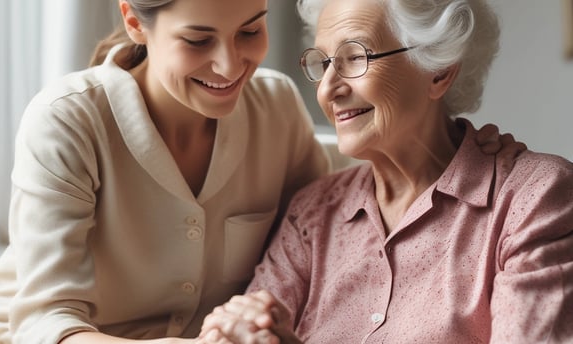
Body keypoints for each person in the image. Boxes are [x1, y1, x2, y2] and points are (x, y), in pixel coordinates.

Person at [0, 0, 517, 343]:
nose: (231, 67)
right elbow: (43, 325)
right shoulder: (69, 119)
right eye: (198, 40)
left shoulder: (272, 105)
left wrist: (457, 144)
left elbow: (330, 195)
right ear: (135, 21)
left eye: (250, 31)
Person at [197, 0, 573, 343]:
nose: (328, 89)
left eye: (355, 57)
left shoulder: (534, 200)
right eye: (324, 62)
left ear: (439, 71)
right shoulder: (312, 214)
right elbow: (240, 331)